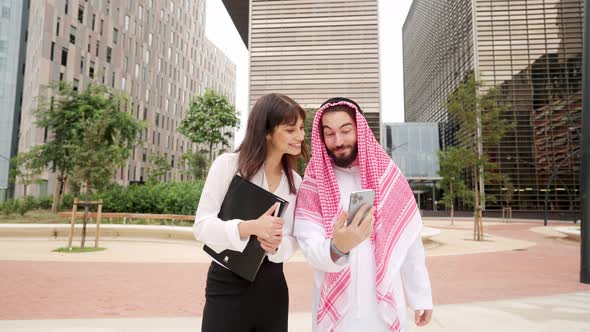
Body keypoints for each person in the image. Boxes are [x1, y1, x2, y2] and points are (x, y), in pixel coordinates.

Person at [294, 97, 433, 331]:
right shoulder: (314, 183)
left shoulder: (388, 176)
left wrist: (420, 295)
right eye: (329, 134)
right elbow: (309, 244)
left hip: (383, 308)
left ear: (360, 129)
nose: (338, 141)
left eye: (345, 130)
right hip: (337, 314)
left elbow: (408, 243)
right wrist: (338, 247)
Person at [193, 93, 307, 332]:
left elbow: (294, 239)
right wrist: (248, 228)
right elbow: (202, 226)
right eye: (290, 130)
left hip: (272, 287)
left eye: (301, 128)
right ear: (266, 132)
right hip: (226, 284)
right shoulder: (228, 165)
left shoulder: (296, 182)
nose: (300, 136)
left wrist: (276, 246)